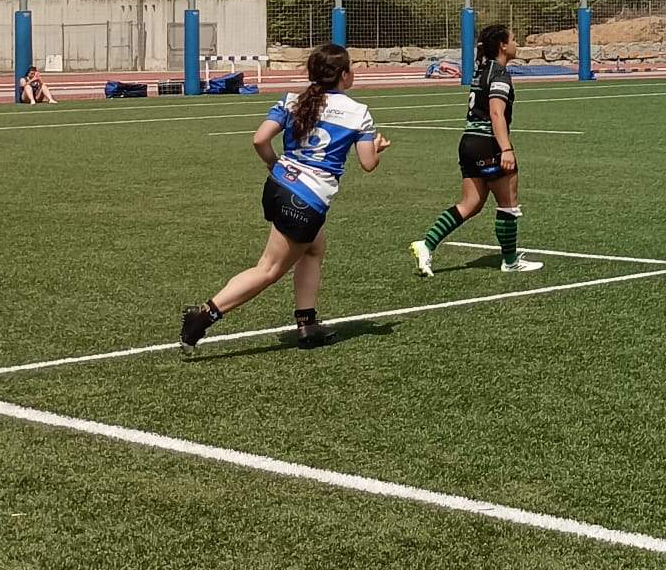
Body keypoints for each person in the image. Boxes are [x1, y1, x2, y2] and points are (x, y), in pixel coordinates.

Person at [180, 44, 390, 353]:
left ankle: (307, 323)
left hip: (278, 186)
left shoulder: (292, 100)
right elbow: (368, 164)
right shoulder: (358, 113)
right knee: (268, 269)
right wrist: (379, 147)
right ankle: (202, 316)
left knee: (314, 248)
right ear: (345, 75)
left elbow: (260, 139)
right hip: (306, 200)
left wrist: (273, 163)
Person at [410, 24, 545, 278]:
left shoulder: (481, 70)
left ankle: (426, 244)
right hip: (487, 143)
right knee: (508, 204)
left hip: (468, 142)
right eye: (513, 39)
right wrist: (506, 148)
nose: (517, 44)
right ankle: (510, 261)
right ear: (503, 46)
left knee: (471, 203)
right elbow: (496, 113)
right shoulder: (500, 73)